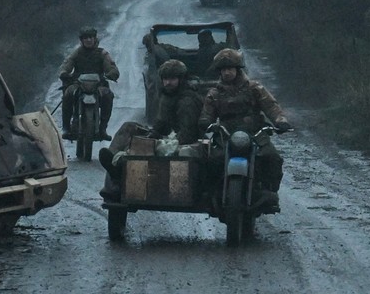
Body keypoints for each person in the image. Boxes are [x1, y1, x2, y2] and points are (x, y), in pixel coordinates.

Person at [197, 48, 293, 209]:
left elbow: (271, 106)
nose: (227, 72)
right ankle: (211, 193)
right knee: (211, 161)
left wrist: (280, 120)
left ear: (237, 69)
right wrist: (205, 121)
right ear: (219, 72)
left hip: (255, 133)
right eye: (223, 69)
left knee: (272, 157)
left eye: (230, 68)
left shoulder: (255, 88)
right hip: (226, 135)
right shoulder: (214, 93)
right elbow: (207, 113)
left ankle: (270, 193)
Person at [99, 59, 204, 200]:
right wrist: (152, 134)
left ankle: (116, 177)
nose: (168, 83)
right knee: (129, 127)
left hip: (182, 142)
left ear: (181, 79)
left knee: (143, 147)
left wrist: (160, 144)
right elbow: (161, 123)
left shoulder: (188, 100)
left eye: (172, 79)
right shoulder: (167, 95)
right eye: (165, 79)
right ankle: (112, 163)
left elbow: (188, 132)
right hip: (166, 136)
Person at [58, 26, 119, 141]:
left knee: (108, 96)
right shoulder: (76, 53)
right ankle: (66, 127)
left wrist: (112, 73)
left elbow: (111, 66)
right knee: (67, 94)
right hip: (77, 84)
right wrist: (64, 72)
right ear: (81, 40)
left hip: (98, 85)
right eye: (85, 37)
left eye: (91, 37)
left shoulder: (102, 53)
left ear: (95, 38)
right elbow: (66, 64)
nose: (88, 40)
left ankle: (103, 128)